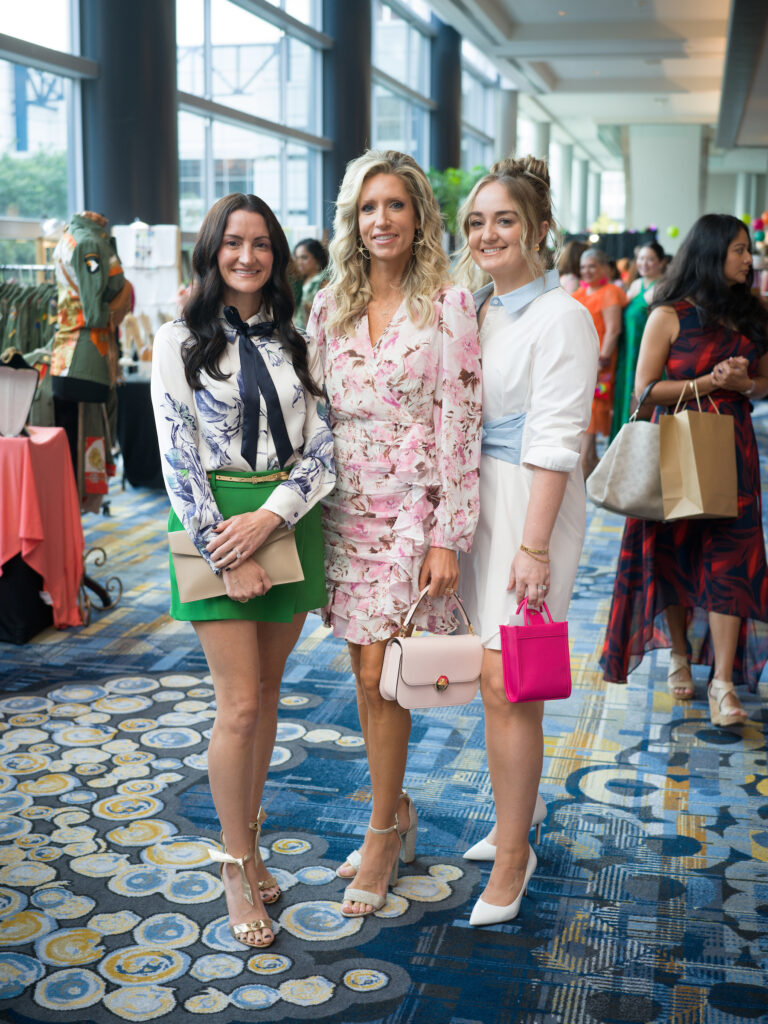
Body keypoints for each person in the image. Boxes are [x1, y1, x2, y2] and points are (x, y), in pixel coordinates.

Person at [150, 193, 335, 948]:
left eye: (262, 244)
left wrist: (273, 518)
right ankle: (234, 862)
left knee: (268, 694)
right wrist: (227, 549)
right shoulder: (177, 338)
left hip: (286, 521)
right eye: (234, 243)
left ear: (279, 254)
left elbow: (325, 449)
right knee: (240, 709)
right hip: (213, 524)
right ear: (211, 249)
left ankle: (251, 841)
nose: (248, 257)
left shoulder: (299, 339)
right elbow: (176, 454)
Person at [307, 149, 482, 918]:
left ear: (419, 218)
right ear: (354, 219)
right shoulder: (327, 305)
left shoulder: (448, 303)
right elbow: (312, 417)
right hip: (342, 506)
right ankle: (397, 809)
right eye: (368, 208)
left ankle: (382, 830)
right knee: (363, 669)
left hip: (411, 510)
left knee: (387, 672)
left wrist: (448, 534)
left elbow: (462, 420)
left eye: (395, 206)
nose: (381, 220)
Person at [454, 156, 598, 926]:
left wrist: (534, 546)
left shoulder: (563, 316)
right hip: (479, 506)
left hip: (529, 508)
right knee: (489, 679)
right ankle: (519, 814)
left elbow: (556, 439)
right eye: (476, 222)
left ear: (540, 229)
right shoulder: (481, 306)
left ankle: (516, 856)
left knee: (513, 682)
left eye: (504, 220)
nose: (487, 234)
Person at [601, 214, 768, 723]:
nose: (749, 259)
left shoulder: (756, 313)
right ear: (712, 253)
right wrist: (709, 382)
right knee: (675, 555)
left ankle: (721, 682)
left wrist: (743, 386)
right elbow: (643, 390)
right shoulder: (668, 314)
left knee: (732, 563)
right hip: (675, 445)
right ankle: (678, 653)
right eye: (740, 249)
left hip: (733, 452)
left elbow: (764, 383)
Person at [572, 248, 628, 478]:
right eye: (583, 266)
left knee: (591, 414)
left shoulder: (610, 292)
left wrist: (601, 362)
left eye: (592, 266)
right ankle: (591, 466)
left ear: (605, 267)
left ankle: (586, 466)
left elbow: (613, 331)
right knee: (583, 413)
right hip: (579, 362)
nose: (587, 271)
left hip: (598, 364)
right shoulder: (579, 292)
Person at [612, 241, 666, 437]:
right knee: (626, 399)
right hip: (628, 353)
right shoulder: (635, 284)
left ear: (661, 262)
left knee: (642, 403)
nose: (644, 263)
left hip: (647, 353)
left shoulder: (663, 287)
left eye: (650, 259)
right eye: (641, 258)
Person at [293, 237, 328, 331]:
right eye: (297, 258)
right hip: (299, 331)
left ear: (317, 258)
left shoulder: (323, 281)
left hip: (314, 334)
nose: (299, 262)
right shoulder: (301, 281)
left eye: (304, 257)